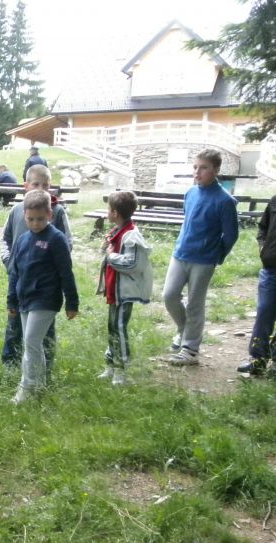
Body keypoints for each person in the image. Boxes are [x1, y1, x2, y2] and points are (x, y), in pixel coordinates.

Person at [163, 148, 239, 366]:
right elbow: (187, 221)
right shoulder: (190, 192)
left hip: (204, 260)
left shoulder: (225, 201)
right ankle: (183, 329)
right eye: (195, 167)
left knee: (195, 303)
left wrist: (217, 255)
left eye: (203, 168)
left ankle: (190, 349)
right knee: (169, 295)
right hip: (180, 254)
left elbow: (231, 234)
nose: (197, 172)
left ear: (216, 170)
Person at [6, 189, 79, 404]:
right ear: (23, 215)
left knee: (31, 341)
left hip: (46, 298)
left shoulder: (56, 239)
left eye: (40, 219)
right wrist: (12, 300)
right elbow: (15, 272)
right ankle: (39, 386)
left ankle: (26, 387)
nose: (35, 223)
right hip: (24, 298)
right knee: (33, 343)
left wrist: (72, 302)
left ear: (49, 214)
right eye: (30, 219)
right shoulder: (22, 240)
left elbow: (66, 272)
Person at [0, 164, 73, 367]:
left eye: (45, 185)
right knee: (14, 321)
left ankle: (45, 365)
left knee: (43, 328)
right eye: (36, 184)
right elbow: (4, 239)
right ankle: (10, 362)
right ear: (26, 186)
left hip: (45, 285)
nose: (40, 188)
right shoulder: (16, 210)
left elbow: (66, 243)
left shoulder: (56, 212)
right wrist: (9, 261)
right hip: (19, 279)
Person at [237, 156, 276, 377]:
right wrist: (262, 247)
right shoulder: (275, 201)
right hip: (270, 271)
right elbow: (262, 228)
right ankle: (257, 360)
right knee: (264, 314)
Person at [96, 191, 153, 386]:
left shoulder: (131, 236)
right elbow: (108, 252)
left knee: (119, 329)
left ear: (115, 213)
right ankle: (110, 366)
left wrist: (111, 257)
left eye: (108, 209)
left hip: (125, 292)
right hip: (114, 291)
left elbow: (133, 264)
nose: (107, 212)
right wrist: (106, 248)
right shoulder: (117, 231)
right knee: (112, 328)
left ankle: (121, 370)